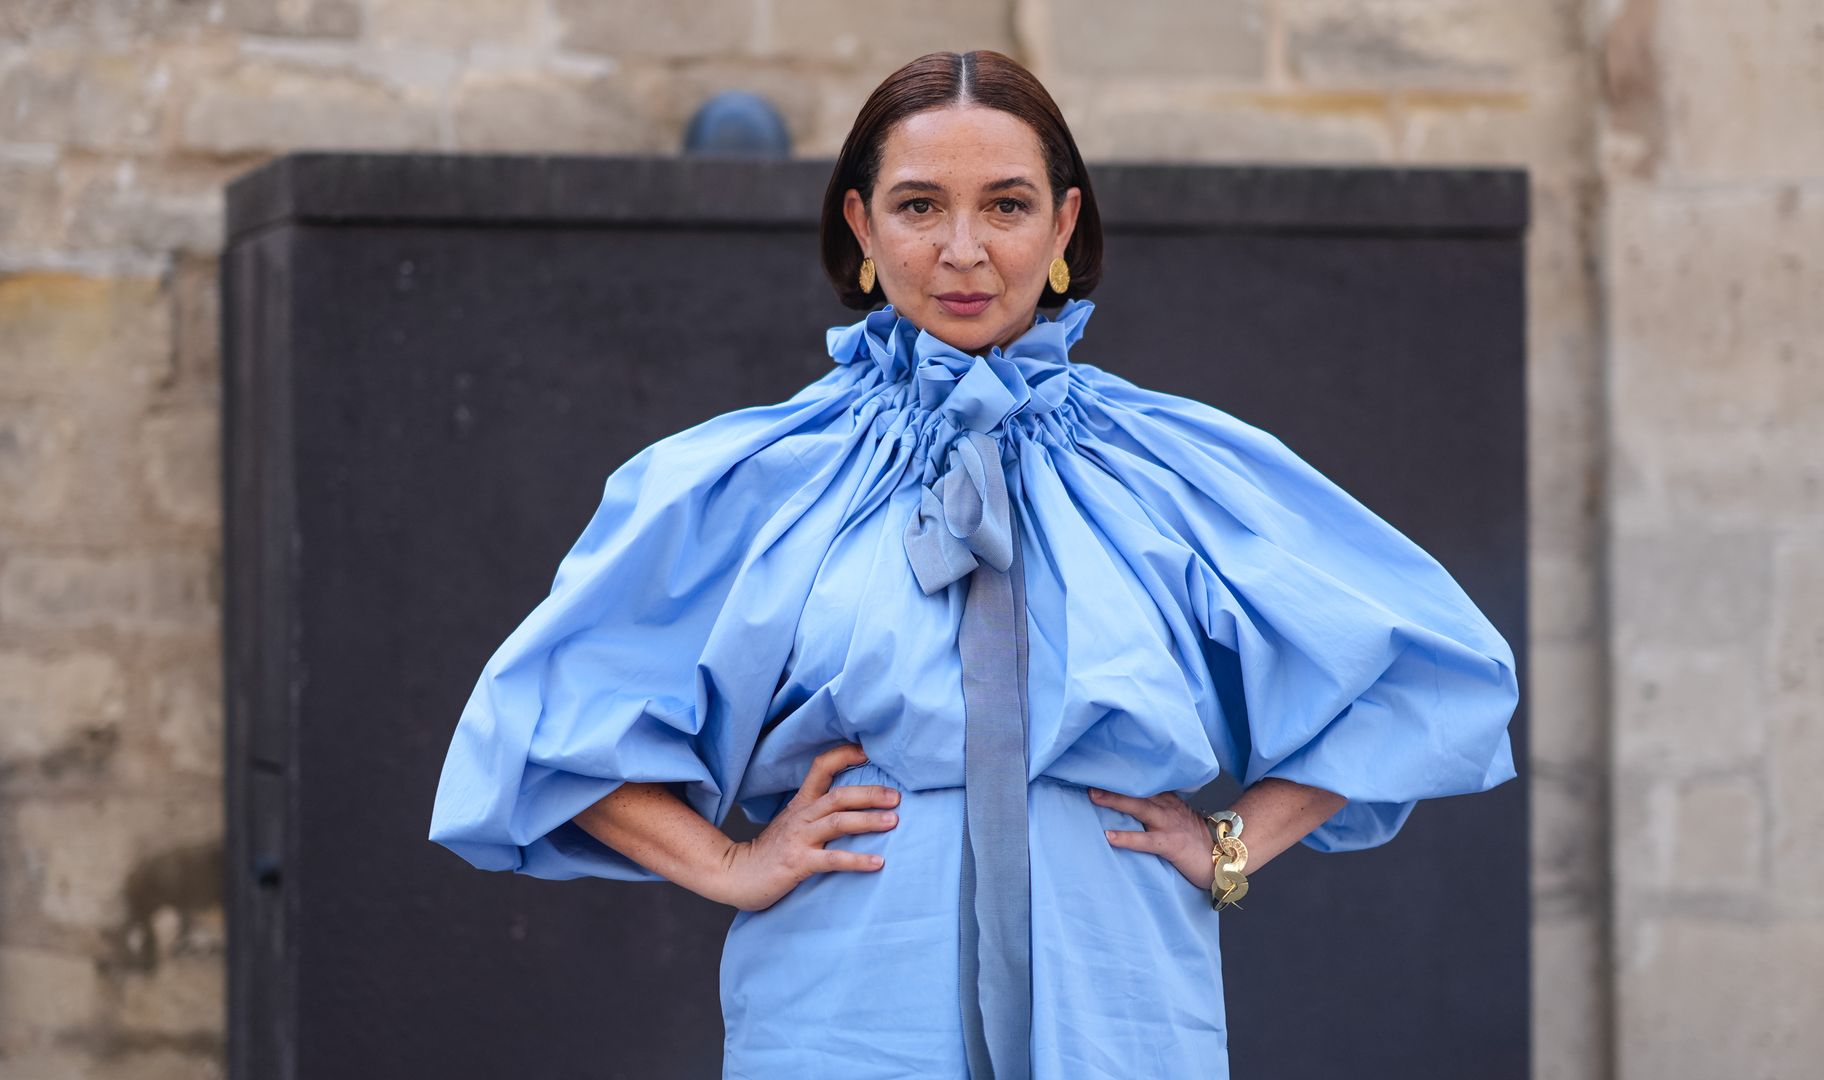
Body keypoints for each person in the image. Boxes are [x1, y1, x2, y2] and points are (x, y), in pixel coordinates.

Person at [428, 49, 1519, 1080]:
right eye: (918, 206)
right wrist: (730, 865)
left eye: (1005, 204)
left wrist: (1234, 844)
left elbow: (1428, 668)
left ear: (1063, 225)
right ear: (860, 222)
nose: (963, 250)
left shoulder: (1178, 468)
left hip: (1120, 1000)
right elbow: (546, 715)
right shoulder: (750, 478)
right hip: (848, 1005)